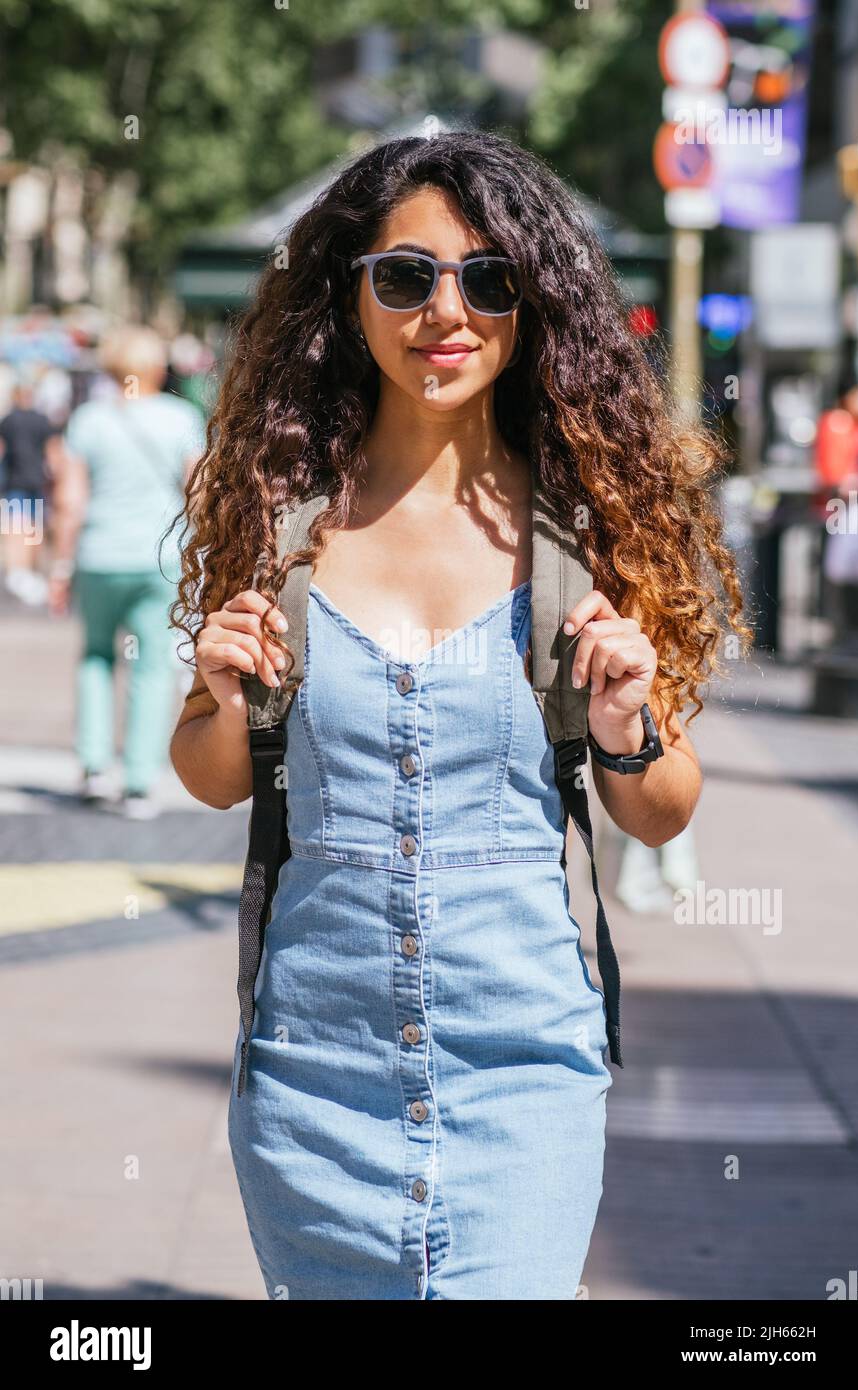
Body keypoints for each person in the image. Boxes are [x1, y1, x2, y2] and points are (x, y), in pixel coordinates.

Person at [169, 130, 749, 1300]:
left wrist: (630, 719)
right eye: (405, 276)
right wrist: (224, 694)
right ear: (352, 295)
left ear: (530, 306)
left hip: (520, 1075)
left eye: (489, 280)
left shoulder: (584, 534)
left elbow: (660, 805)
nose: (447, 310)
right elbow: (212, 770)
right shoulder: (283, 525)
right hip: (311, 1082)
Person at [49, 325, 206, 817]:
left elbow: (69, 501)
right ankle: (139, 781)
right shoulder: (181, 416)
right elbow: (197, 492)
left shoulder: (88, 420)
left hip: (99, 555)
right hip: (159, 559)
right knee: (152, 665)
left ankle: (94, 767)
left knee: (95, 657)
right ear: (158, 366)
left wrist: (60, 564)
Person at [0, 379, 64, 605]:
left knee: (16, 527)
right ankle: (31, 572)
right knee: (35, 529)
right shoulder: (42, 420)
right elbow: (54, 453)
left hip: (15, 481)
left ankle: (19, 571)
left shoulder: (7, 420)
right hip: (37, 481)